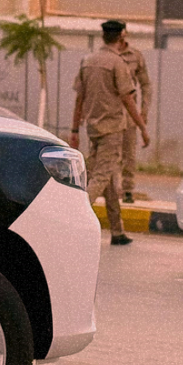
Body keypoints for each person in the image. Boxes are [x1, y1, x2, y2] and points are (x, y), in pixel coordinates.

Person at [70, 20, 151, 245]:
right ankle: (73, 220)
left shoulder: (88, 61)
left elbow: (79, 99)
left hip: (93, 129)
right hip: (113, 129)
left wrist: (74, 129)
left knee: (109, 179)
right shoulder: (117, 63)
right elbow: (128, 99)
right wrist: (143, 128)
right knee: (101, 177)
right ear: (121, 36)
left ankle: (117, 231)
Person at [117, 26, 153, 204]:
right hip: (109, 111)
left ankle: (128, 189)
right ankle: (109, 188)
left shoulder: (135, 56)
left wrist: (144, 111)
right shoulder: (106, 55)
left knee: (128, 153)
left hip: (129, 112)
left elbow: (146, 85)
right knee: (107, 153)